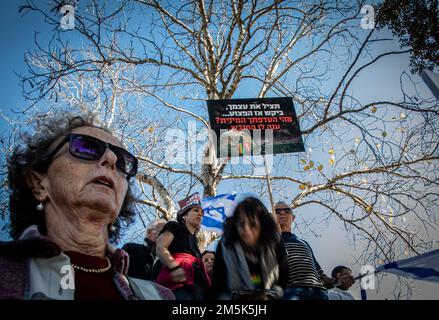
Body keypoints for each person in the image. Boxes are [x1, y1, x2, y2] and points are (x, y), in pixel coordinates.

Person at [0, 112, 174, 300]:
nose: (111, 158)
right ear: (39, 183)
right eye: (86, 147)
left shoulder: (161, 296)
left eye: (123, 160)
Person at [210, 197, 288, 300]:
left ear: (263, 225)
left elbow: (283, 280)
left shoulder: (275, 242)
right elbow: (218, 288)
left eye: (253, 224)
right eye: (241, 224)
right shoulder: (225, 246)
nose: (246, 230)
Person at [155, 193, 211, 300]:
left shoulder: (195, 242)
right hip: (177, 284)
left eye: (202, 213)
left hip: (198, 287)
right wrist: (175, 267)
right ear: (184, 216)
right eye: (195, 211)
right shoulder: (173, 226)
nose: (200, 214)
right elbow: (160, 248)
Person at [275, 201, 334, 300]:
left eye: (286, 210)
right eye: (277, 211)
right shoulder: (269, 242)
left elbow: (318, 270)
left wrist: (336, 280)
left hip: (319, 292)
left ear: (293, 218)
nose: (282, 213)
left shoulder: (304, 243)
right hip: (291, 292)